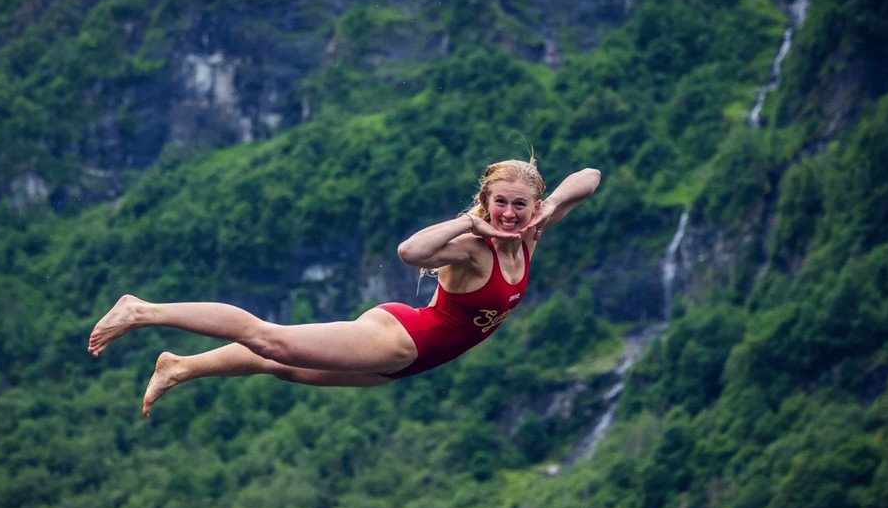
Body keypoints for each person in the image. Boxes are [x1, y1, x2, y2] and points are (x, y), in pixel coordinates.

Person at [88, 155, 600, 415]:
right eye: (499, 203)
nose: (508, 214)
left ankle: (180, 367)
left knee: (283, 367)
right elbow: (410, 252)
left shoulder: (530, 233)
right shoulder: (472, 246)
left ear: (533, 207)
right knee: (270, 340)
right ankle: (141, 310)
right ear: (486, 203)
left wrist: (552, 205)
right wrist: (470, 224)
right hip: (401, 339)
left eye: (519, 205)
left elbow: (591, 176)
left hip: (409, 363)